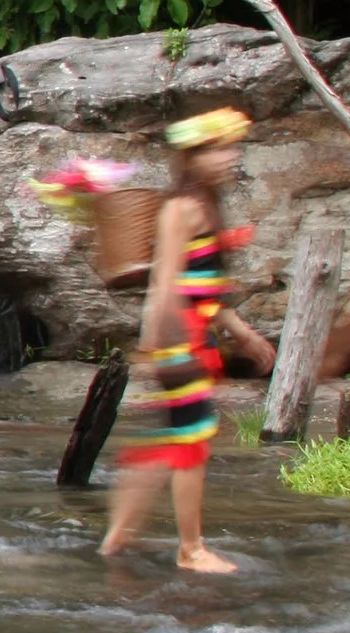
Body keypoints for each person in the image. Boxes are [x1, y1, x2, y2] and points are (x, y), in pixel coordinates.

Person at [102, 110, 272, 574]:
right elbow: (165, 283)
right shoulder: (181, 209)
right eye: (217, 149)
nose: (228, 158)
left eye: (230, 149)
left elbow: (206, 286)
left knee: (182, 437)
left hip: (196, 341)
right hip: (180, 344)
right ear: (192, 158)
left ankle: (117, 535)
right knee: (191, 442)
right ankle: (190, 549)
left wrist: (243, 333)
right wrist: (152, 345)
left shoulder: (206, 208)